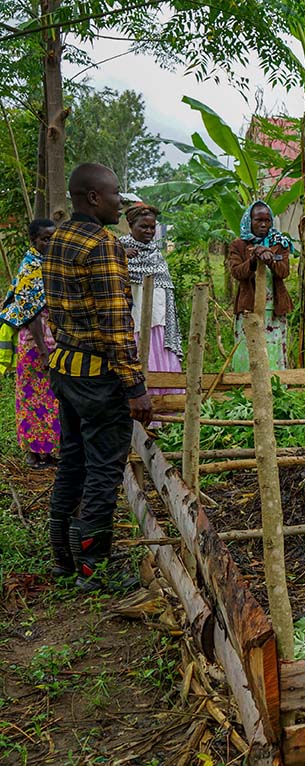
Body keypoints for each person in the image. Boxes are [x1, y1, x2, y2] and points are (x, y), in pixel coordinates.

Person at [42, 162, 153, 590]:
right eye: (114, 194)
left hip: (65, 370)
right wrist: (135, 387)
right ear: (93, 197)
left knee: (72, 462)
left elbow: (56, 311)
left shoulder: (57, 238)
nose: (119, 201)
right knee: (104, 469)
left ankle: (63, 559)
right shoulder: (103, 246)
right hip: (97, 378)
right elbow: (116, 324)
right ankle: (93, 569)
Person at [0, 219, 60, 468]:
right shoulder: (31, 269)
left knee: (51, 399)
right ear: (33, 241)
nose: (50, 243)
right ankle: (33, 453)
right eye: (45, 239)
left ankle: (48, 450)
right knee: (30, 398)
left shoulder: (49, 264)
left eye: (53, 238)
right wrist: (43, 351)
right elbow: (31, 315)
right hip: (36, 345)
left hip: (52, 342)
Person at [120, 203, 183, 392]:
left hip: (160, 323)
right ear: (131, 225)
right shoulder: (118, 249)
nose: (149, 231)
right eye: (143, 227)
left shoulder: (156, 253)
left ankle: (165, 402)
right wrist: (121, 257)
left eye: (152, 227)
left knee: (161, 362)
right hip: (133, 322)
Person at [228, 200, 293, 371]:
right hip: (249, 308)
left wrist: (269, 258)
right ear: (250, 221)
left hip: (274, 308)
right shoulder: (238, 245)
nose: (263, 224)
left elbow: (284, 272)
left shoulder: (280, 243)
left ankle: (275, 385)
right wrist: (253, 260)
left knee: (273, 349)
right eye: (258, 220)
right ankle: (245, 385)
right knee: (247, 348)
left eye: (267, 220)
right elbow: (237, 272)